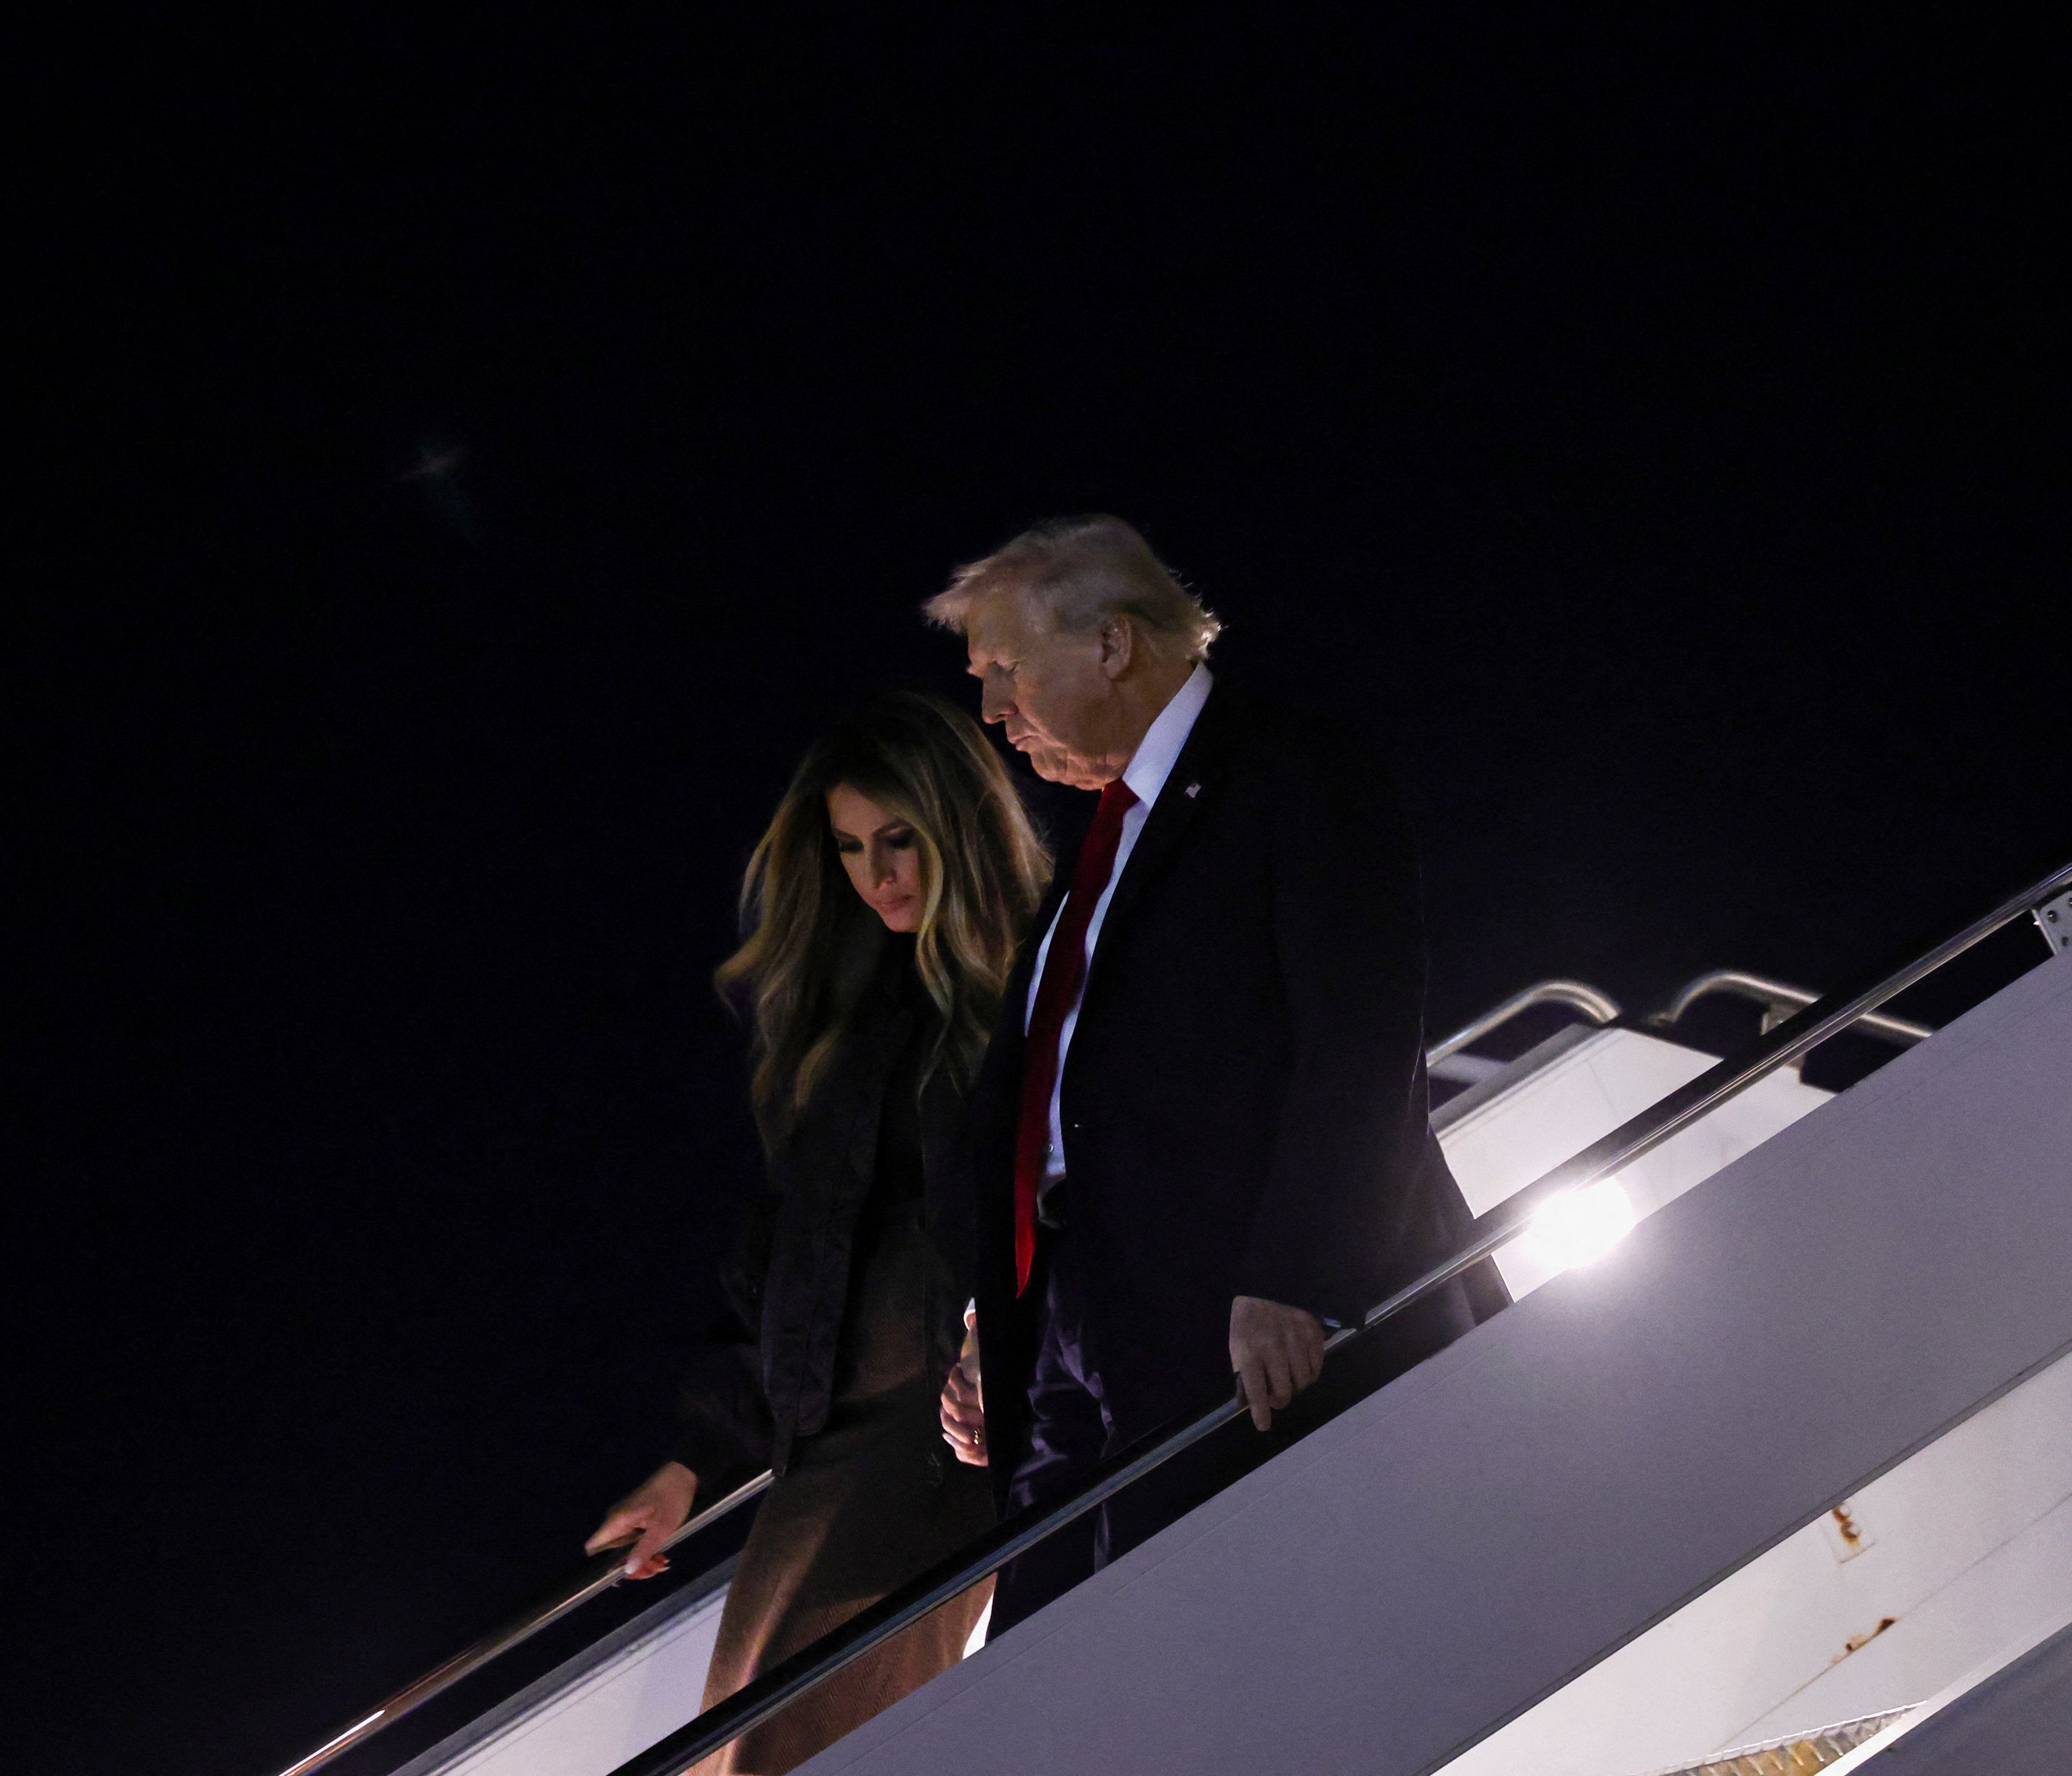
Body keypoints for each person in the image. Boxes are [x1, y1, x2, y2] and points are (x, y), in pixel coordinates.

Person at [922, 514, 1500, 1630]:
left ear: (1109, 646)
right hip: (1069, 1338)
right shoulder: (1101, 844)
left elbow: (1361, 1042)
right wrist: (989, 1316)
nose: (990, 713)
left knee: (1195, 1660)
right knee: (1044, 1672)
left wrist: (1297, 1271)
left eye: (1003, 670)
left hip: (1222, 1317)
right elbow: (1053, 1098)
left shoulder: (1291, 773)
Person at [585, 692, 1050, 1774]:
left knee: (787, 1753)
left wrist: (1005, 1341)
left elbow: (1082, 1201)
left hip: (944, 1439)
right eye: (847, 848)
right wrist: (691, 1462)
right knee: (727, 1754)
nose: (875, 873)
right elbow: (786, 1268)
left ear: (955, 829)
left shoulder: (1034, 986)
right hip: (825, 1437)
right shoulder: (854, 1026)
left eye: (898, 840)